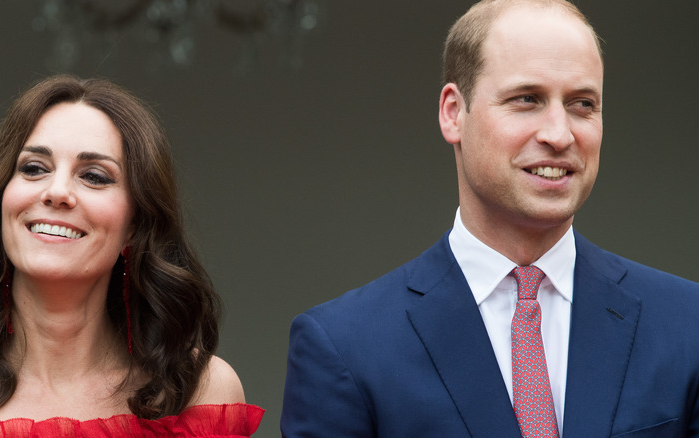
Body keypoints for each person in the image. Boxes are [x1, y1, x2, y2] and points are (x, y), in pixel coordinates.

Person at [281, 0, 699, 437]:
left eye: (582, 104)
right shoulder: (345, 346)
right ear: (452, 113)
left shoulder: (687, 324)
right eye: (526, 99)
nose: (559, 134)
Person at [0, 75, 263, 436]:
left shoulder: (200, 393)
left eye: (95, 176)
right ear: (1, 200)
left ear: (135, 225)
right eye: (34, 168)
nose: (57, 191)